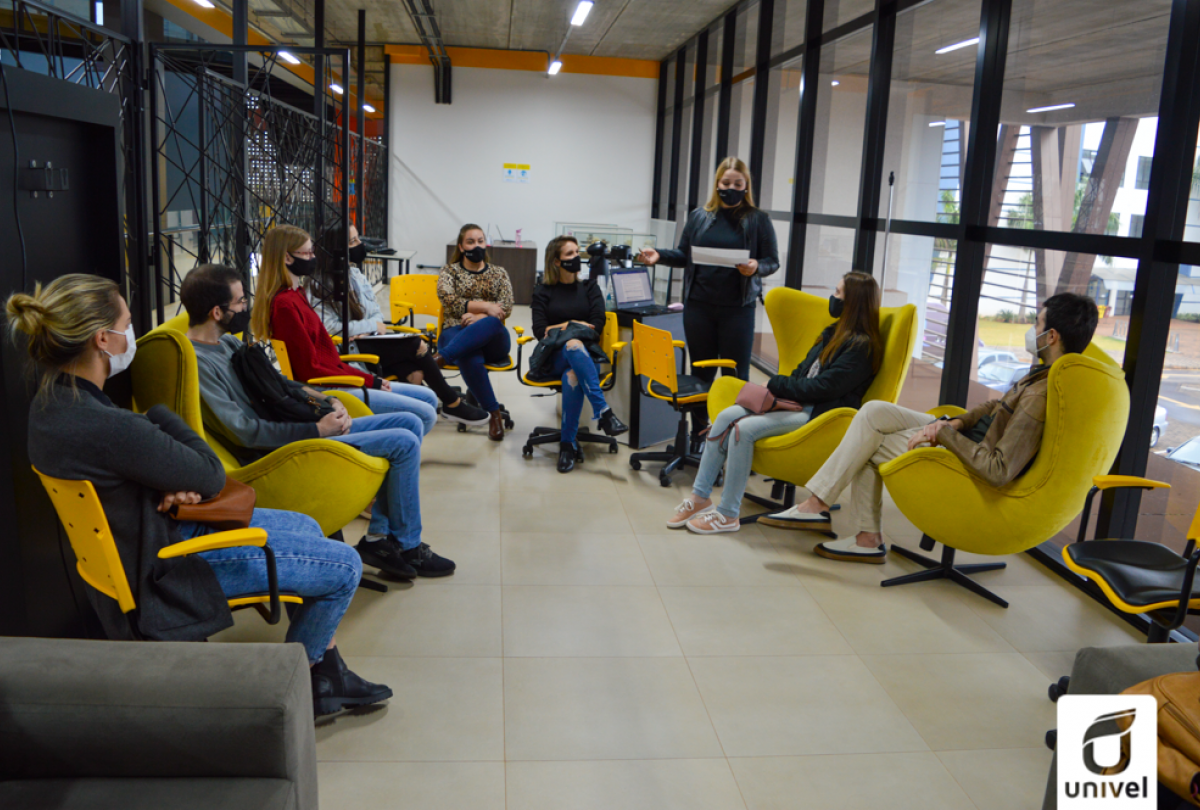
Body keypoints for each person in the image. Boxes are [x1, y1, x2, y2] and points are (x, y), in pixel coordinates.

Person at [6, 273, 390, 716]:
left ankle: (326, 669)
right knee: (345, 565)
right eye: (127, 324)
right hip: (166, 570)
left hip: (144, 546)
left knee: (305, 525)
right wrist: (160, 416)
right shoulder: (111, 426)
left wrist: (164, 478)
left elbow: (139, 472)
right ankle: (299, 687)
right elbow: (209, 474)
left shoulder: (51, 407)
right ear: (102, 340)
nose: (133, 334)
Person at [759, 293, 1100, 564]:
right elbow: (995, 407)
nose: (1031, 329)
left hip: (968, 458)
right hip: (963, 434)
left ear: (1051, 336)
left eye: (1037, 323)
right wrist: (954, 422)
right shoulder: (1042, 373)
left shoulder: (1040, 395)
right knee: (873, 412)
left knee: (868, 443)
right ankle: (824, 508)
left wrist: (944, 434)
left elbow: (997, 470)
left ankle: (855, 531)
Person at [181, 264, 456, 579]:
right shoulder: (199, 364)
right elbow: (245, 432)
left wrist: (328, 401)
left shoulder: (227, 343)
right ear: (217, 312)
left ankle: (380, 540)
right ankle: (407, 545)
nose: (247, 307)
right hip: (279, 452)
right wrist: (316, 429)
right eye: (241, 301)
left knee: (410, 422)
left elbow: (281, 384)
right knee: (403, 442)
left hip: (296, 428)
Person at [666, 272, 882, 534]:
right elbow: (802, 372)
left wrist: (777, 384)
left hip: (819, 415)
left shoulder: (862, 347)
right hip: (796, 402)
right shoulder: (833, 333)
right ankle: (700, 497)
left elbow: (825, 388)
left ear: (854, 302)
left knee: (743, 429)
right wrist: (781, 388)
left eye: (838, 293)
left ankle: (728, 514)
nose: (833, 298)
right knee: (725, 417)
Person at [638, 156, 780, 444]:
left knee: (735, 377)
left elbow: (772, 261)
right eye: (726, 183)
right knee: (701, 373)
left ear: (746, 186)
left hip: (738, 310)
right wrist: (659, 255)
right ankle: (699, 436)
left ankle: (732, 436)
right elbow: (684, 255)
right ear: (717, 184)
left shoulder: (758, 219)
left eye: (738, 184)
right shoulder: (699, 217)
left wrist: (756, 266)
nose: (731, 188)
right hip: (699, 307)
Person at [250, 224, 439, 435]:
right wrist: (370, 380)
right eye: (308, 253)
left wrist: (370, 379)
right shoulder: (285, 305)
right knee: (426, 414)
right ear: (287, 258)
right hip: (329, 388)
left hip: (338, 378)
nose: (313, 257)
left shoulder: (296, 294)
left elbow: (328, 359)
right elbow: (310, 370)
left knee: (429, 398)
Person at [309, 225, 488, 427]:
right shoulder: (319, 285)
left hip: (369, 340)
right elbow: (330, 328)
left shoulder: (355, 274)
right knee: (415, 345)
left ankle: (422, 410)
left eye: (358, 239)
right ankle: (452, 403)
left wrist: (367, 328)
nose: (360, 245)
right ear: (336, 248)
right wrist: (367, 326)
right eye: (353, 241)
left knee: (414, 370)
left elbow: (376, 314)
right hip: (348, 349)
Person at [530, 236, 629, 473]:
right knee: (573, 344)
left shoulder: (590, 288)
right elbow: (540, 331)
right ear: (556, 261)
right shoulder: (543, 291)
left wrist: (560, 328)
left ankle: (567, 445)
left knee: (572, 374)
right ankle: (603, 412)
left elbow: (596, 325)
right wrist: (573, 325)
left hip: (584, 358)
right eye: (569, 254)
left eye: (577, 252)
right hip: (553, 357)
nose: (576, 257)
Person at [435, 224, 514, 441]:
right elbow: (449, 301)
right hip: (456, 331)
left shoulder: (499, 273)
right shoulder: (450, 271)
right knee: (468, 354)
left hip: (493, 338)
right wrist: (487, 307)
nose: (476, 246)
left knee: (492, 323)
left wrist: (480, 317)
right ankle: (494, 414)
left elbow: (506, 306)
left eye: (480, 241)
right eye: (470, 242)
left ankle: (441, 358)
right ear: (461, 247)